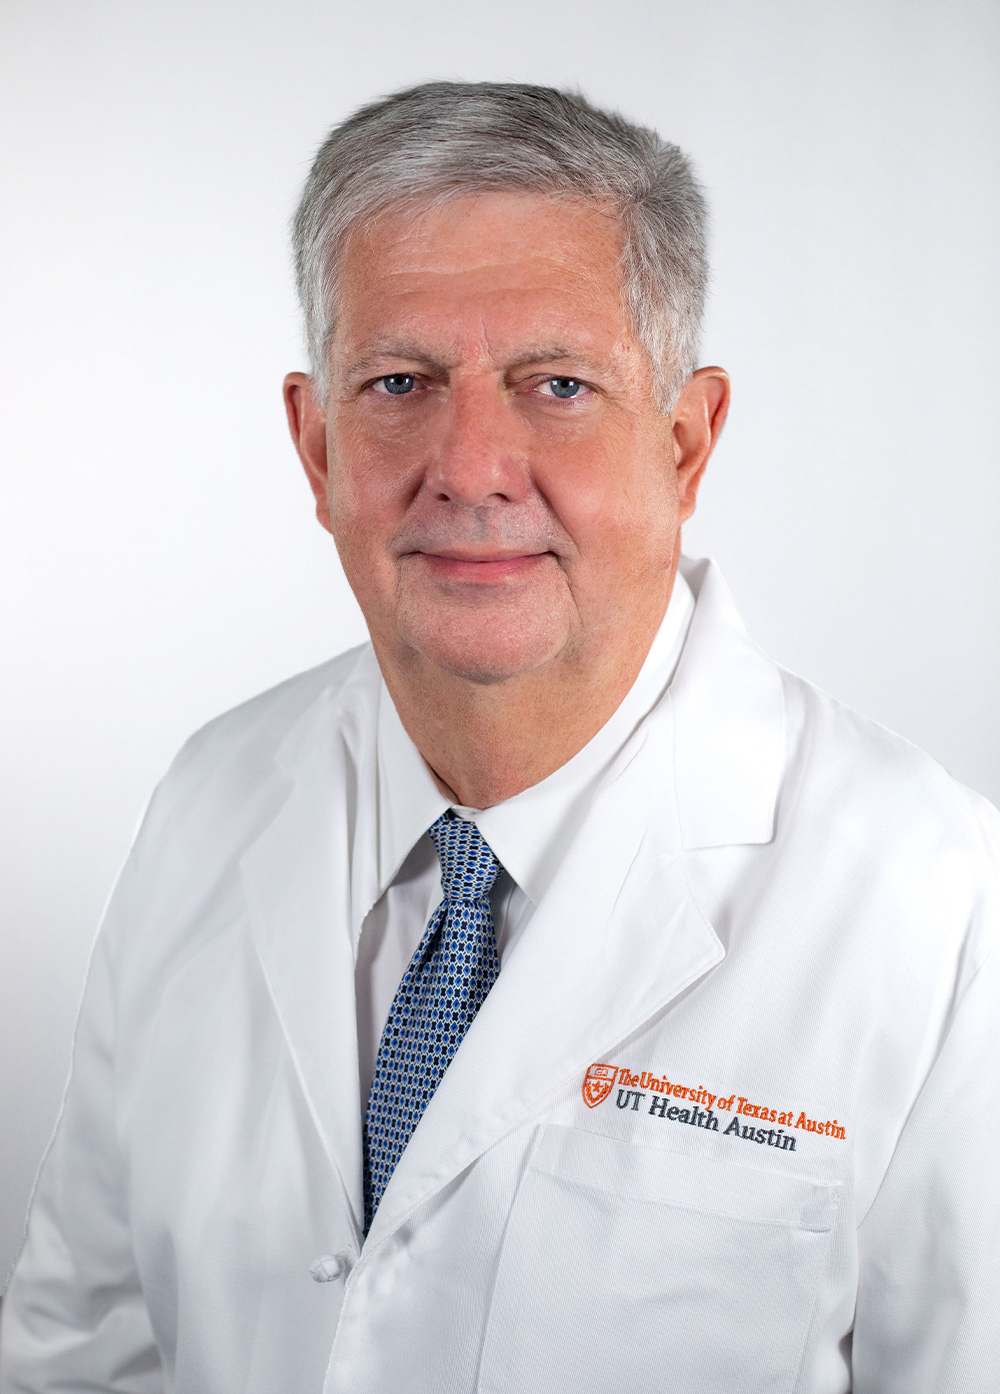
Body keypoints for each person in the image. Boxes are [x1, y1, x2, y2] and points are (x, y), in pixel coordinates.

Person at [1, 81, 997, 1394]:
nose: (471, 467)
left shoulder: (937, 903)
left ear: (687, 441)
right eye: (400, 382)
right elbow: (88, 1342)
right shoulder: (212, 794)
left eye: (559, 384)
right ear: (314, 447)